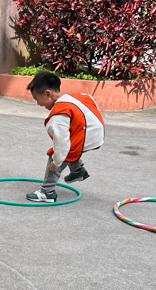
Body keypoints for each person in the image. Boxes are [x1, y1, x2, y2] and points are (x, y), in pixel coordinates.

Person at [25, 71, 104, 203]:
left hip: (85, 137)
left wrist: (56, 162)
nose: (38, 104)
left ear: (48, 93)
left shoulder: (58, 116)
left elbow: (61, 144)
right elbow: (90, 100)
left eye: (37, 99)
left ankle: (47, 192)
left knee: (56, 155)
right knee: (70, 148)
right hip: (95, 132)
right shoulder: (74, 97)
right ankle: (78, 170)